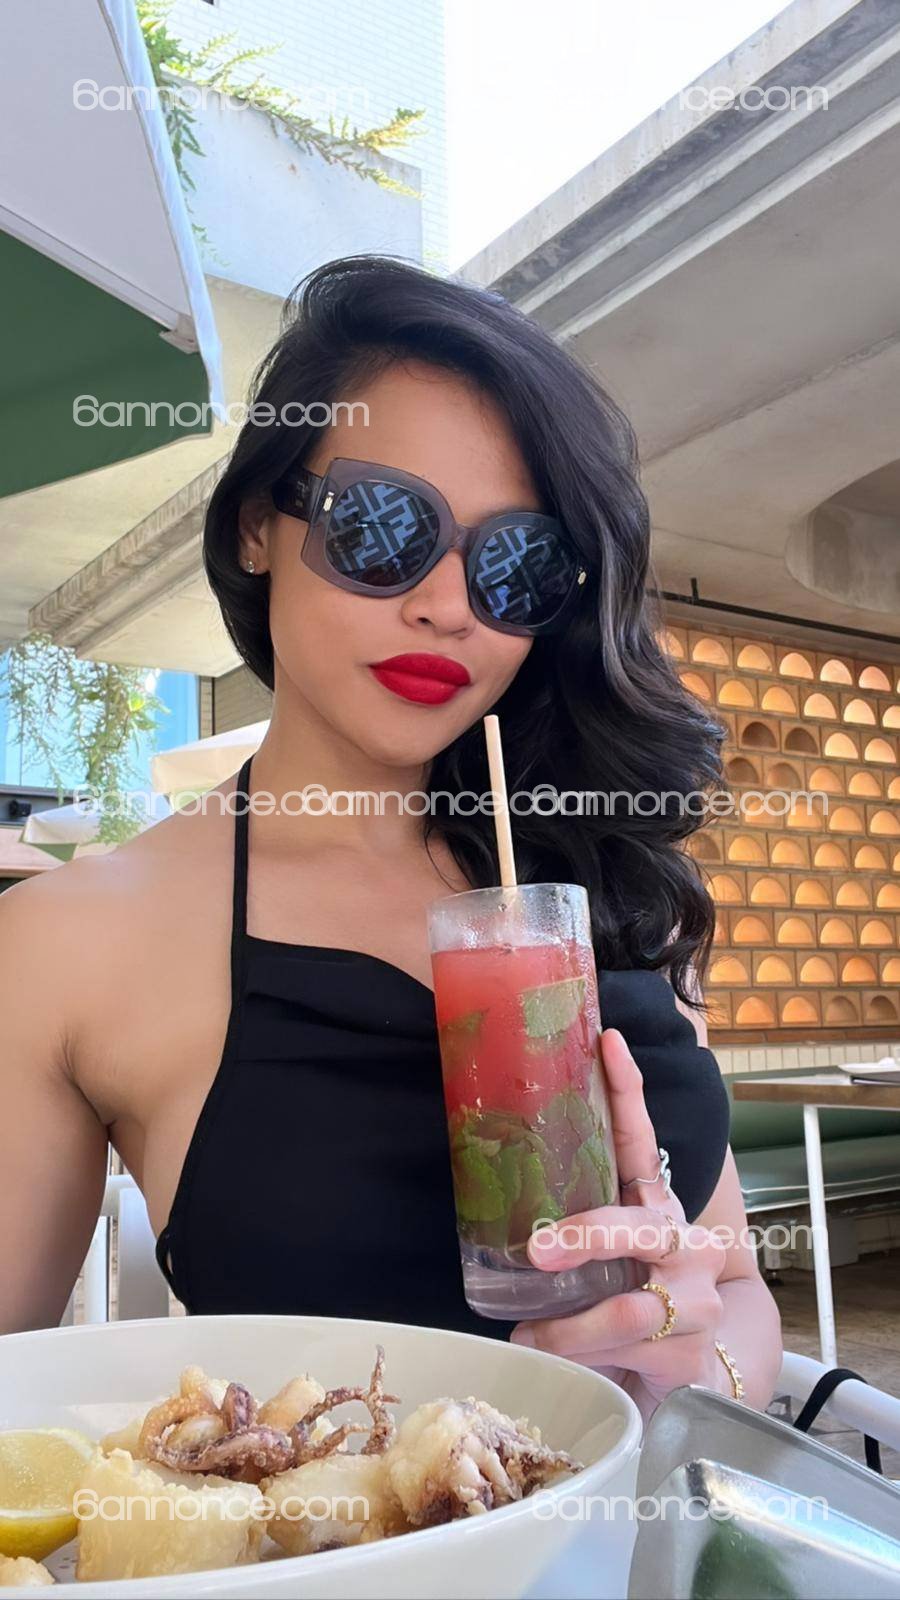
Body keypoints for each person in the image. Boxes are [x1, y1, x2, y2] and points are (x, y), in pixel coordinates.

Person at [0, 255, 781, 1418]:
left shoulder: (601, 875)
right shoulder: (69, 942)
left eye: (517, 563)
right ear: (259, 525)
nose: (448, 605)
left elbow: (738, 1293)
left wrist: (686, 1365)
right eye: (381, 525)